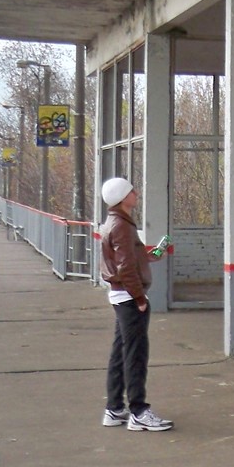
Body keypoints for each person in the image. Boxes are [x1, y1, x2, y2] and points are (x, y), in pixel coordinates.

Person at [98, 176, 173, 432]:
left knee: (120, 352)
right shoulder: (122, 226)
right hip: (129, 298)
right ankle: (139, 412)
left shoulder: (114, 222)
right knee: (135, 355)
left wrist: (152, 255)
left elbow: (129, 259)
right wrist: (140, 299)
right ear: (122, 198)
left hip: (121, 296)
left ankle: (114, 408)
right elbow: (126, 267)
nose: (136, 193)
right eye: (131, 191)